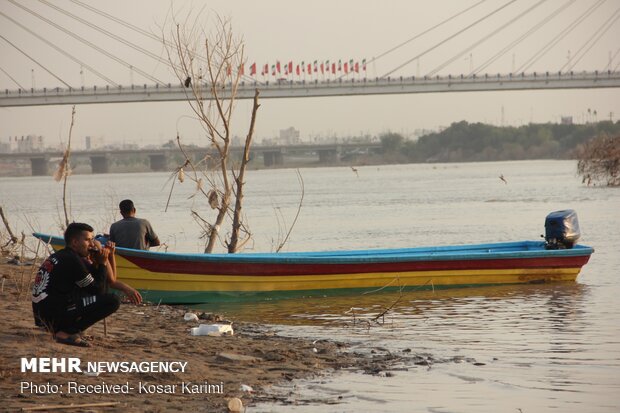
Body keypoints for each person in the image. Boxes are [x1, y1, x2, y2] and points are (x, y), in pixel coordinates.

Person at [32, 222, 141, 347]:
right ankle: (66, 333)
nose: (91, 244)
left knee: (95, 291)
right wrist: (101, 264)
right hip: (53, 316)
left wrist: (108, 257)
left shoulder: (65, 256)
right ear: (74, 242)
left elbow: (107, 280)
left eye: (92, 240)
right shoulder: (73, 260)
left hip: (46, 316)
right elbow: (99, 290)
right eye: (88, 240)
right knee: (113, 300)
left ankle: (70, 330)